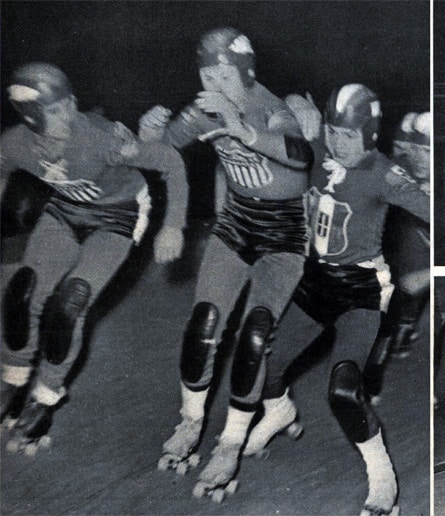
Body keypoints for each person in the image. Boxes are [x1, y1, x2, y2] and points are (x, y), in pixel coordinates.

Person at [136, 27, 316, 498]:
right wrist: (151, 134)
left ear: (246, 72)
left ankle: (231, 441)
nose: (213, 82)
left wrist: (243, 129)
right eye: (206, 73)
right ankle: (191, 421)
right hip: (236, 223)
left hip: (283, 234)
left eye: (223, 73)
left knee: (255, 334)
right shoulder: (204, 108)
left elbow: (300, 154)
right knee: (204, 323)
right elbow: (168, 148)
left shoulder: (275, 107)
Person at [245, 83, 429, 516]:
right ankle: (280, 411)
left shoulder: (383, 173)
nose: (337, 143)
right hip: (314, 286)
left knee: (343, 390)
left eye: (347, 136)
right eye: (332, 132)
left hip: (359, 293)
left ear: (368, 135)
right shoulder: (315, 152)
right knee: (261, 367)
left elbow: (430, 210)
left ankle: (382, 476)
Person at [0, 62, 189, 453]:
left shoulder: (103, 139)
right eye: (56, 110)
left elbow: (170, 162)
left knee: (72, 301)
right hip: (66, 210)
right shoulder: (15, 143)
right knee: (22, 292)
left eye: (69, 103)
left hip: (119, 215)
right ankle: (13, 381)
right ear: (31, 117)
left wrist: (174, 226)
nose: (70, 114)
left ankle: (47, 396)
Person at [364, 111, 431, 401]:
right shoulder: (399, 171)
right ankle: (373, 374)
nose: (416, 157)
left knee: (414, 284)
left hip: (430, 252)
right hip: (404, 245)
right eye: (411, 150)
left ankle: (406, 322)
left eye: (424, 151)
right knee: (391, 300)